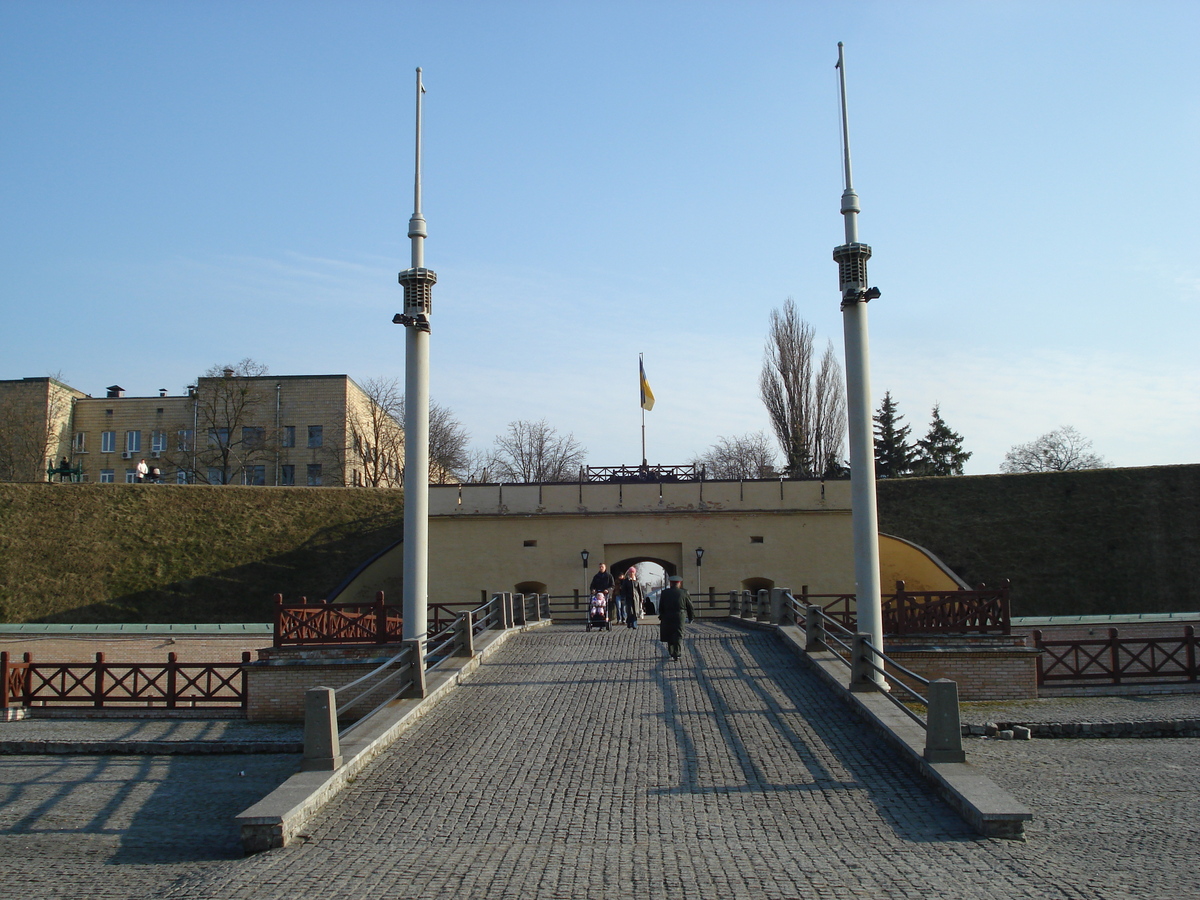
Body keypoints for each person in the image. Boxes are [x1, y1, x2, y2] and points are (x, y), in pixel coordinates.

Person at [658, 575, 696, 660]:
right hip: (680, 615)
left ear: (671, 583)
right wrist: (691, 617)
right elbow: (690, 606)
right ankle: (677, 652)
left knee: (669, 633)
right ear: (679, 583)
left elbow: (661, 607)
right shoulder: (684, 592)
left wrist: (662, 616)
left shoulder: (665, 593)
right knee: (678, 633)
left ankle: (671, 652)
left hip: (668, 615)